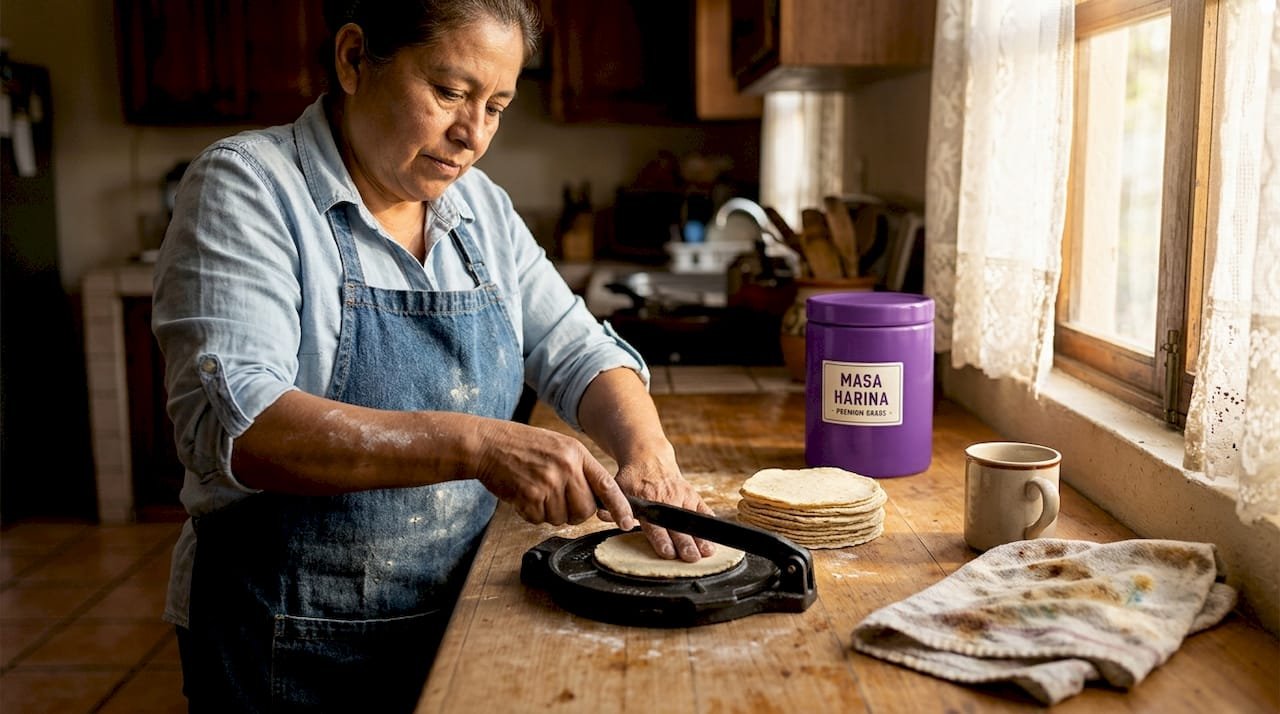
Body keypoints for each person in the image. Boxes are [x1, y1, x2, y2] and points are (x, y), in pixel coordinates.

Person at [151, 1, 715, 710]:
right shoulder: (248, 186)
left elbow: (577, 349)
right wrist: (478, 446)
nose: (471, 134)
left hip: (462, 612)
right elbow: (241, 429)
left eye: (496, 106)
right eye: (449, 92)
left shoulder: (480, 208)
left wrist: (648, 453)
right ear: (355, 58)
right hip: (287, 639)